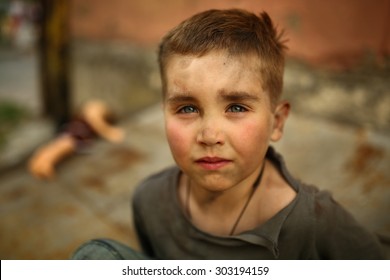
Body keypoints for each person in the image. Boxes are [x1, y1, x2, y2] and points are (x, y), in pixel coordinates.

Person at [72, 9, 385, 259]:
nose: (209, 135)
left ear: (276, 123)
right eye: (186, 108)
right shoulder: (149, 201)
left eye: (236, 107)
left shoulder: (317, 224)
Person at [28, 99, 124, 180]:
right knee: (64, 145)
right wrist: (109, 132)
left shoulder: (96, 110)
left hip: (77, 132)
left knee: (60, 145)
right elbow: (95, 119)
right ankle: (45, 163)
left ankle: (39, 162)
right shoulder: (98, 106)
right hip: (78, 132)